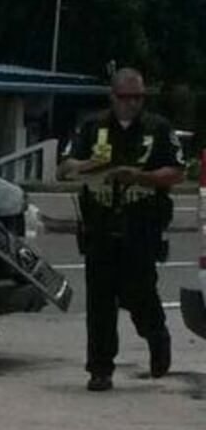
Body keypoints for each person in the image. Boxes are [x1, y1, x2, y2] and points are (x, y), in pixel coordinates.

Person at [58, 68, 185, 392]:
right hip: (100, 225)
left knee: (139, 293)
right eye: (126, 98)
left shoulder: (158, 128)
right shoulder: (92, 126)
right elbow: (66, 167)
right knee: (100, 301)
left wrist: (140, 177)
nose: (132, 104)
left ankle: (157, 337)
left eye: (138, 98)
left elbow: (175, 173)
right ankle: (100, 369)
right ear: (112, 97)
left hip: (141, 224)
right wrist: (90, 166)